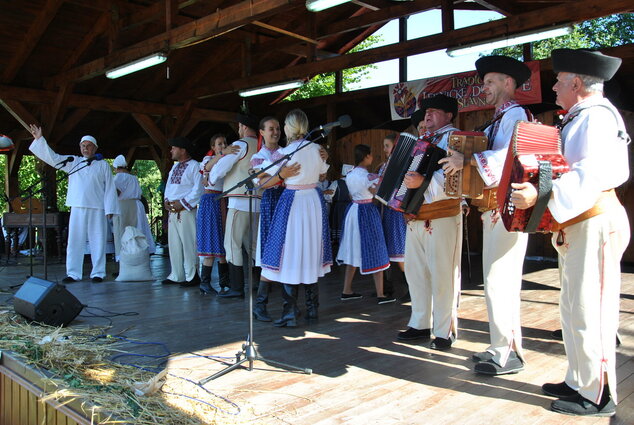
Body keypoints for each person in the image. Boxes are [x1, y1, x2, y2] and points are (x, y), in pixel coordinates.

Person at [510, 49, 629, 417]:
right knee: (574, 307)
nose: (556, 88)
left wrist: (540, 195)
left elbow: (588, 174)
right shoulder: (583, 116)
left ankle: (596, 393)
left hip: (594, 219)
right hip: (581, 222)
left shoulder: (595, 118)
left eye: (560, 81)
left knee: (591, 309)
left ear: (576, 83)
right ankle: (578, 378)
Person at [443, 56, 533, 372]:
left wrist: (466, 161)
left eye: (490, 81)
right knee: (496, 280)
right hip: (494, 208)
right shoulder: (500, 118)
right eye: (484, 82)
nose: (485, 88)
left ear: (509, 83)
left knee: (499, 281)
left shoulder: (516, 116)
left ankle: (506, 353)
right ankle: (502, 347)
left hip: (506, 209)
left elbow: (506, 158)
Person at [395, 94, 462, 351]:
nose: (428, 116)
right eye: (426, 112)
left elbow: (458, 179)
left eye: (434, 111)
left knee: (443, 274)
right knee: (416, 272)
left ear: (449, 115)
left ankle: (445, 330)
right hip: (416, 216)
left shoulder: (456, 138)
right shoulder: (423, 139)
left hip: (442, 214)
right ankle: (420, 323)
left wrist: (421, 183)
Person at [260, 109, 332, 327]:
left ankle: (290, 313)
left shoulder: (285, 152)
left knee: (289, 251)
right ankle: (312, 309)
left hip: (293, 200)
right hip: (313, 201)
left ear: (289, 127)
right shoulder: (318, 149)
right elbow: (322, 174)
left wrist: (280, 176)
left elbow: (261, 180)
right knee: (311, 250)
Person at [28, 125, 119, 283]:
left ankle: (98, 273)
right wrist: (39, 140)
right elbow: (53, 158)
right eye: (83, 146)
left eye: (88, 146)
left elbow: (110, 188)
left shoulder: (103, 165)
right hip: (77, 206)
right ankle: (73, 273)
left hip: (97, 207)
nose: (85, 148)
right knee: (75, 240)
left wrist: (110, 208)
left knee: (98, 240)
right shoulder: (73, 162)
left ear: (95, 148)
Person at [209, 113, 261, 298]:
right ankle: (259, 284)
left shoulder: (241, 144)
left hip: (239, 201)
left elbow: (221, 167)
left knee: (231, 243)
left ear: (243, 127)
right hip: (257, 200)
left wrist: (212, 176)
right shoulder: (261, 145)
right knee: (253, 244)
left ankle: (237, 288)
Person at [337, 144, 394, 305]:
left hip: (353, 211)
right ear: (367, 156)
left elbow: (350, 194)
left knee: (351, 250)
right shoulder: (370, 177)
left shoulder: (349, 175)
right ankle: (381, 294)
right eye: (370, 155)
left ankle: (346, 290)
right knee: (376, 249)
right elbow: (380, 194)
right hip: (367, 211)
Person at [162, 137, 204, 286]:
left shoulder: (195, 166)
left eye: (174, 147)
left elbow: (198, 189)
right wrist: (167, 201)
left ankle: (192, 276)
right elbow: (168, 186)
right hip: (173, 210)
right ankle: (176, 275)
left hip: (186, 210)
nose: (171, 150)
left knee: (188, 243)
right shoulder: (174, 167)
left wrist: (183, 203)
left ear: (183, 150)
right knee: (174, 243)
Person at [197, 134, 236, 295]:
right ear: (213, 147)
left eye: (224, 143)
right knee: (211, 240)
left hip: (222, 200)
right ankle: (205, 282)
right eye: (219, 144)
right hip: (210, 200)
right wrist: (223, 153)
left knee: (222, 242)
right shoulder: (208, 159)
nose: (222, 145)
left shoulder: (226, 161)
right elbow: (206, 168)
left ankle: (224, 282)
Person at [112, 155, 155, 262]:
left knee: (122, 232)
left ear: (116, 167)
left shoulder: (119, 177)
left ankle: (124, 260)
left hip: (124, 206)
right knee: (137, 230)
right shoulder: (133, 177)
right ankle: (139, 255)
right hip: (137, 205)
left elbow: (116, 192)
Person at [378, 133, 407, 297]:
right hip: (385, 211)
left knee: (399, 251)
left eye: (387, 146)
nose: (384, 149)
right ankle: (387, 286)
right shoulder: (386, 164)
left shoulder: (401, 164)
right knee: (387, 250)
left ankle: (410, 286)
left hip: (395, 211)